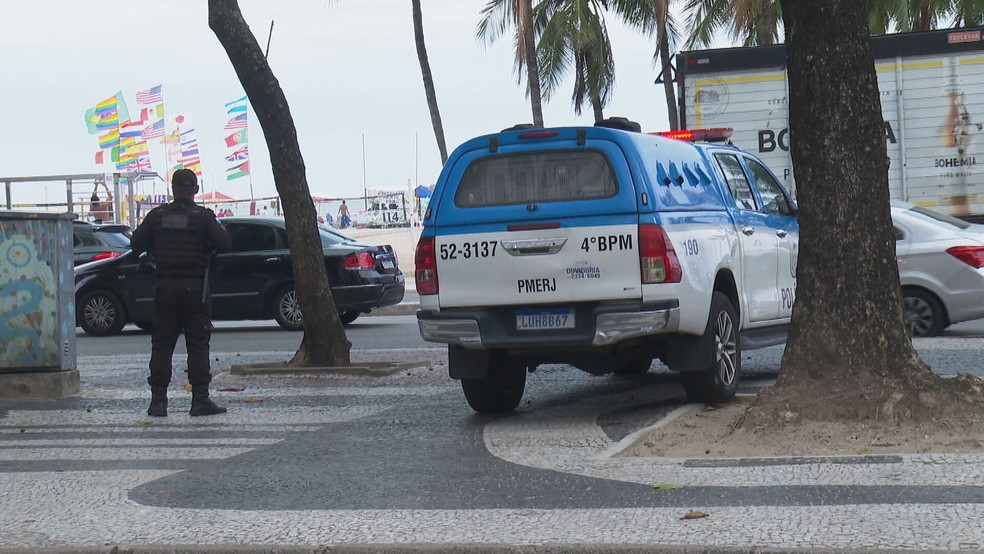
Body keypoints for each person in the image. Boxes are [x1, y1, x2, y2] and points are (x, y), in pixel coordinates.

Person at [130, 169, 233, 417]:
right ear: (195, 189)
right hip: (194, 289)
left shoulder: (157, 216)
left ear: (173, 189)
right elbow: (225, 244)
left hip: (164, 289)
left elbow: (136, 244)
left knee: (162, 344)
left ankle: (158, 402)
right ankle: (199, 400)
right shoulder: (203, 218)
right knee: (197, 345)